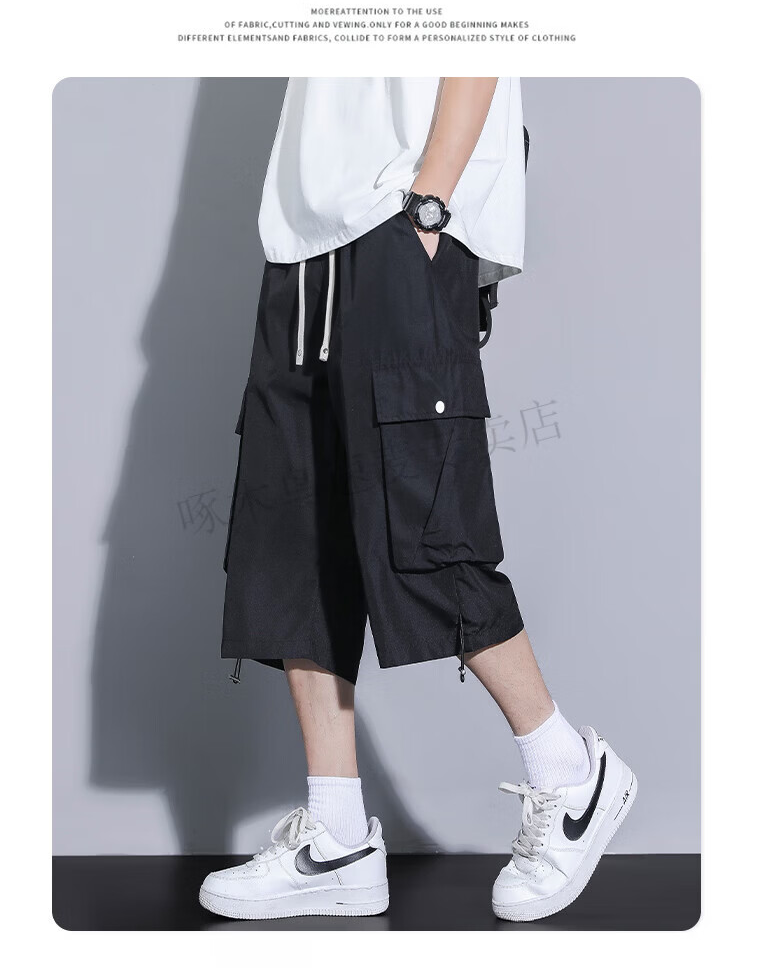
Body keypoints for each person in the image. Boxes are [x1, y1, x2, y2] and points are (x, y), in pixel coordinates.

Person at [199, 77, 636, 923]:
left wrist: (429, 206)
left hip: (399, 224)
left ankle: (570, 775)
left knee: (425, 526)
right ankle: (337, 841)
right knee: (291, 537)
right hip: (301, 244)